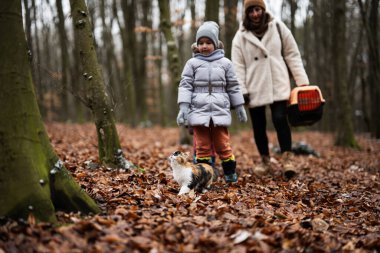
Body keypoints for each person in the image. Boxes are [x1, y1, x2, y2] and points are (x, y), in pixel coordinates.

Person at [231, 0, 310, 178]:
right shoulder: (240, 36)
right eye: (251, 11)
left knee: (280, 119)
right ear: (247, 13)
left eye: (257, 9)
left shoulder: (278, 27)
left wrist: (301, 81)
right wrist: (241, 90)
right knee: (258, 126)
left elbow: (292, 54)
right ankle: (264, 160)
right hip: (254, 86)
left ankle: (288, 159)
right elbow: (238, 66)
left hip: (277, 82)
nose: (255, 14)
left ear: (263, 9)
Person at [177, 21, 248, 183]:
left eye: (208, 42)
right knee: (202, 147)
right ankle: (204, 177)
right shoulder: (192, 64)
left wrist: (239, 106)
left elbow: (233, 86)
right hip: (198, 112)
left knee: (223, 145)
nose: (204, 46)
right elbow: (185, 86)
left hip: (219, 111)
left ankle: (230, 174)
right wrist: (183, 107)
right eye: (201, 43)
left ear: (215, 44)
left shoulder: (226, 63)